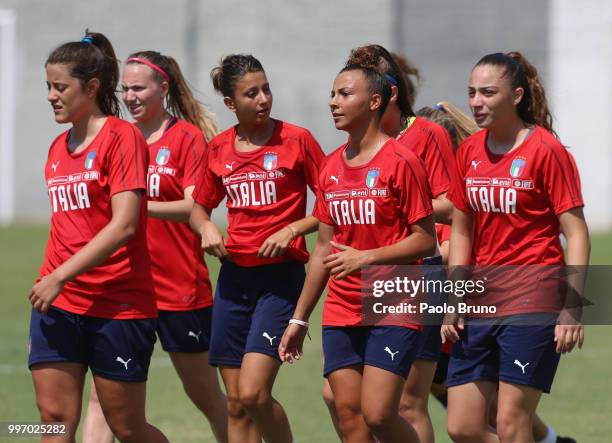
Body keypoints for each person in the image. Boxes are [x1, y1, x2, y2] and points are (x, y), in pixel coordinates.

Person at [279, 63, 436, 442]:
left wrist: (366, 258)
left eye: (345, 94)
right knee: (349, 416)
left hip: (394, 301)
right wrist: (299, 320)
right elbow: (323, 250)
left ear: (375, 101)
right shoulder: (331, 167)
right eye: (333, 94)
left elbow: (425, 240)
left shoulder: (401, 161)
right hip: (342, 308)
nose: (333, 102)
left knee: (380, 415)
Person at [442, 51, 589, 443]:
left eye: (488, 93)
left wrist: (572, 308)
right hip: (479, 298)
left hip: (534, 297)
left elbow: (575, 233)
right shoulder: (469, 151)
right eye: (472, 92)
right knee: (462, 427)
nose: (476, 101)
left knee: (511, 422)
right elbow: (461, 231)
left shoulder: (546, 151)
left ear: (518, 95)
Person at [28, 31, 168, 443]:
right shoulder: (57, 147)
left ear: (90, 87)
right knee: (53, 421)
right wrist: (55, 280)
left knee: (127, 428)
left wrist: (60, 275)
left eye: (60, 87)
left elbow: (125, 225)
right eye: (48, 87)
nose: (51, 96)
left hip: (118, 305)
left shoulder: (122, 138)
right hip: (57, 303)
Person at [83, 50, 229, 443]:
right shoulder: (113, 136)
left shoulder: (187, 138)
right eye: (125, 88)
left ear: (163, 88)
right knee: (102, 400)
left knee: (206, 397)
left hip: (178, 289)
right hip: (123, 289)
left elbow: (194, 207)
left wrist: (135, 206)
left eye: (139, 88)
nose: (130, 96)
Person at [189, 54, 325, 443]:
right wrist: (206, 230)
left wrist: (295, 228)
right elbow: (199, 209)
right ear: (231, 104)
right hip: (232, 282)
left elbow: (333, 201)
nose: (264, 98)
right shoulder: (218, 149)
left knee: (254, 393)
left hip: (279, 281)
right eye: (252, 93)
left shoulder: (297, 140)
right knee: (236, 403)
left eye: (266, 89)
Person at [339, 44, 460, 443]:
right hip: (366, 277)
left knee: (408, 401)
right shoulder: (357, 141)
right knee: (341, 398)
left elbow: (453, 206)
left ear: (387, 93)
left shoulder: (426, 135)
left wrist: (402, 204)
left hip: (418, 275)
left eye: (352, 90)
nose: (342, 99)